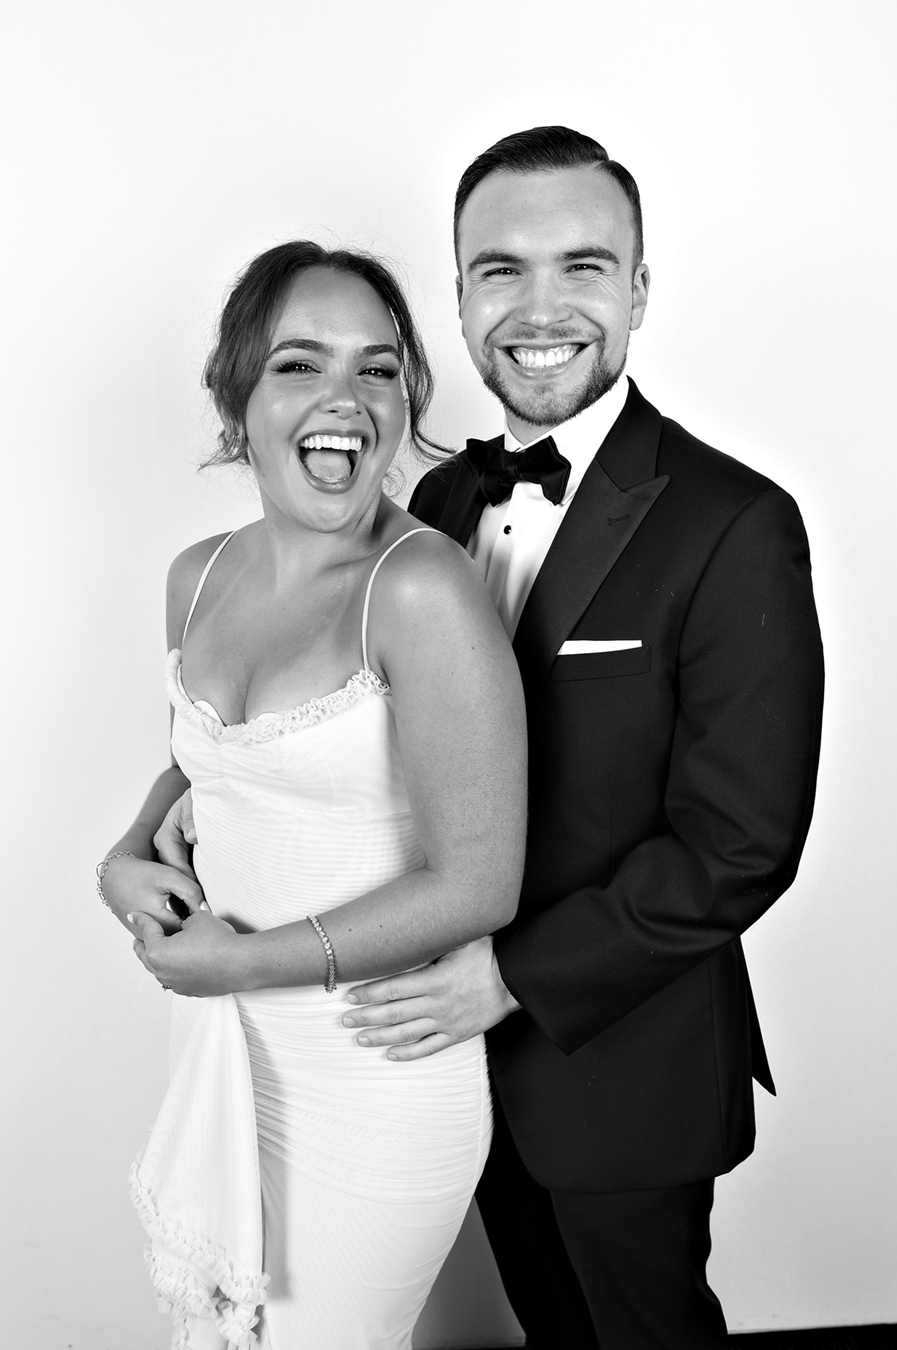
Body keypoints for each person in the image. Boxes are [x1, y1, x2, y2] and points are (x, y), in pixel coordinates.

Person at [339, 127, 825, 1348]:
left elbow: (740, 845)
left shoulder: (737, 522)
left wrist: (508, 979)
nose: (540, 308)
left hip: (624, 1062)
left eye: (584, 266)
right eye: (501, 269)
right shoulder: (438, 501)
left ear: (640, 289)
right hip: (454, 1070)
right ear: (460, 295)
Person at [95, 241, 527, 1349]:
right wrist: (126, 853)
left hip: (373, 1079)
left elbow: (480, 884)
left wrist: (238, 962)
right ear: (235, 397)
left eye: (377, 369)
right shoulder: (197, 575)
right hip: (228, 1050)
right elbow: (205, 767)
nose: (346, 398)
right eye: (300, 363)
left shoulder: (420, 589)